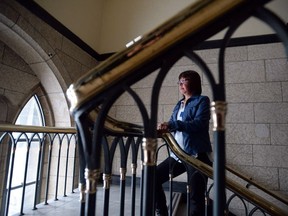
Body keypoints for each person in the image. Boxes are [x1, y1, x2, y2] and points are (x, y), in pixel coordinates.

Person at [156, 70, 212, 216]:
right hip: (178, 155)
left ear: (193, 82)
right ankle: (161, 212)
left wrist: (174, 124)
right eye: (179, 81)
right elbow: (173, 125)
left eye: (184, 80)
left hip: (196, 156)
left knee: (195, 198)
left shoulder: (202, 100)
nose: (180, 84)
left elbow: (199, 124)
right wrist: (163, 128)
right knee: (152, 177)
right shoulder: (179, 104)